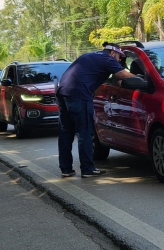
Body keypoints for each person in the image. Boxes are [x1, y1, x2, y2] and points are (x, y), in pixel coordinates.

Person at [56, 43, 137, 178]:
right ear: (112, 53)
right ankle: (87, 168)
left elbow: (99, 78)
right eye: (119, 57)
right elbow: (123, 75)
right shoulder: (108, 59)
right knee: (85, 132)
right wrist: (143, 78)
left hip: (63, 92)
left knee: (66, 132)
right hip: (79, 94)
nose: (119, 61)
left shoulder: (91, 56)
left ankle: (66, 169)